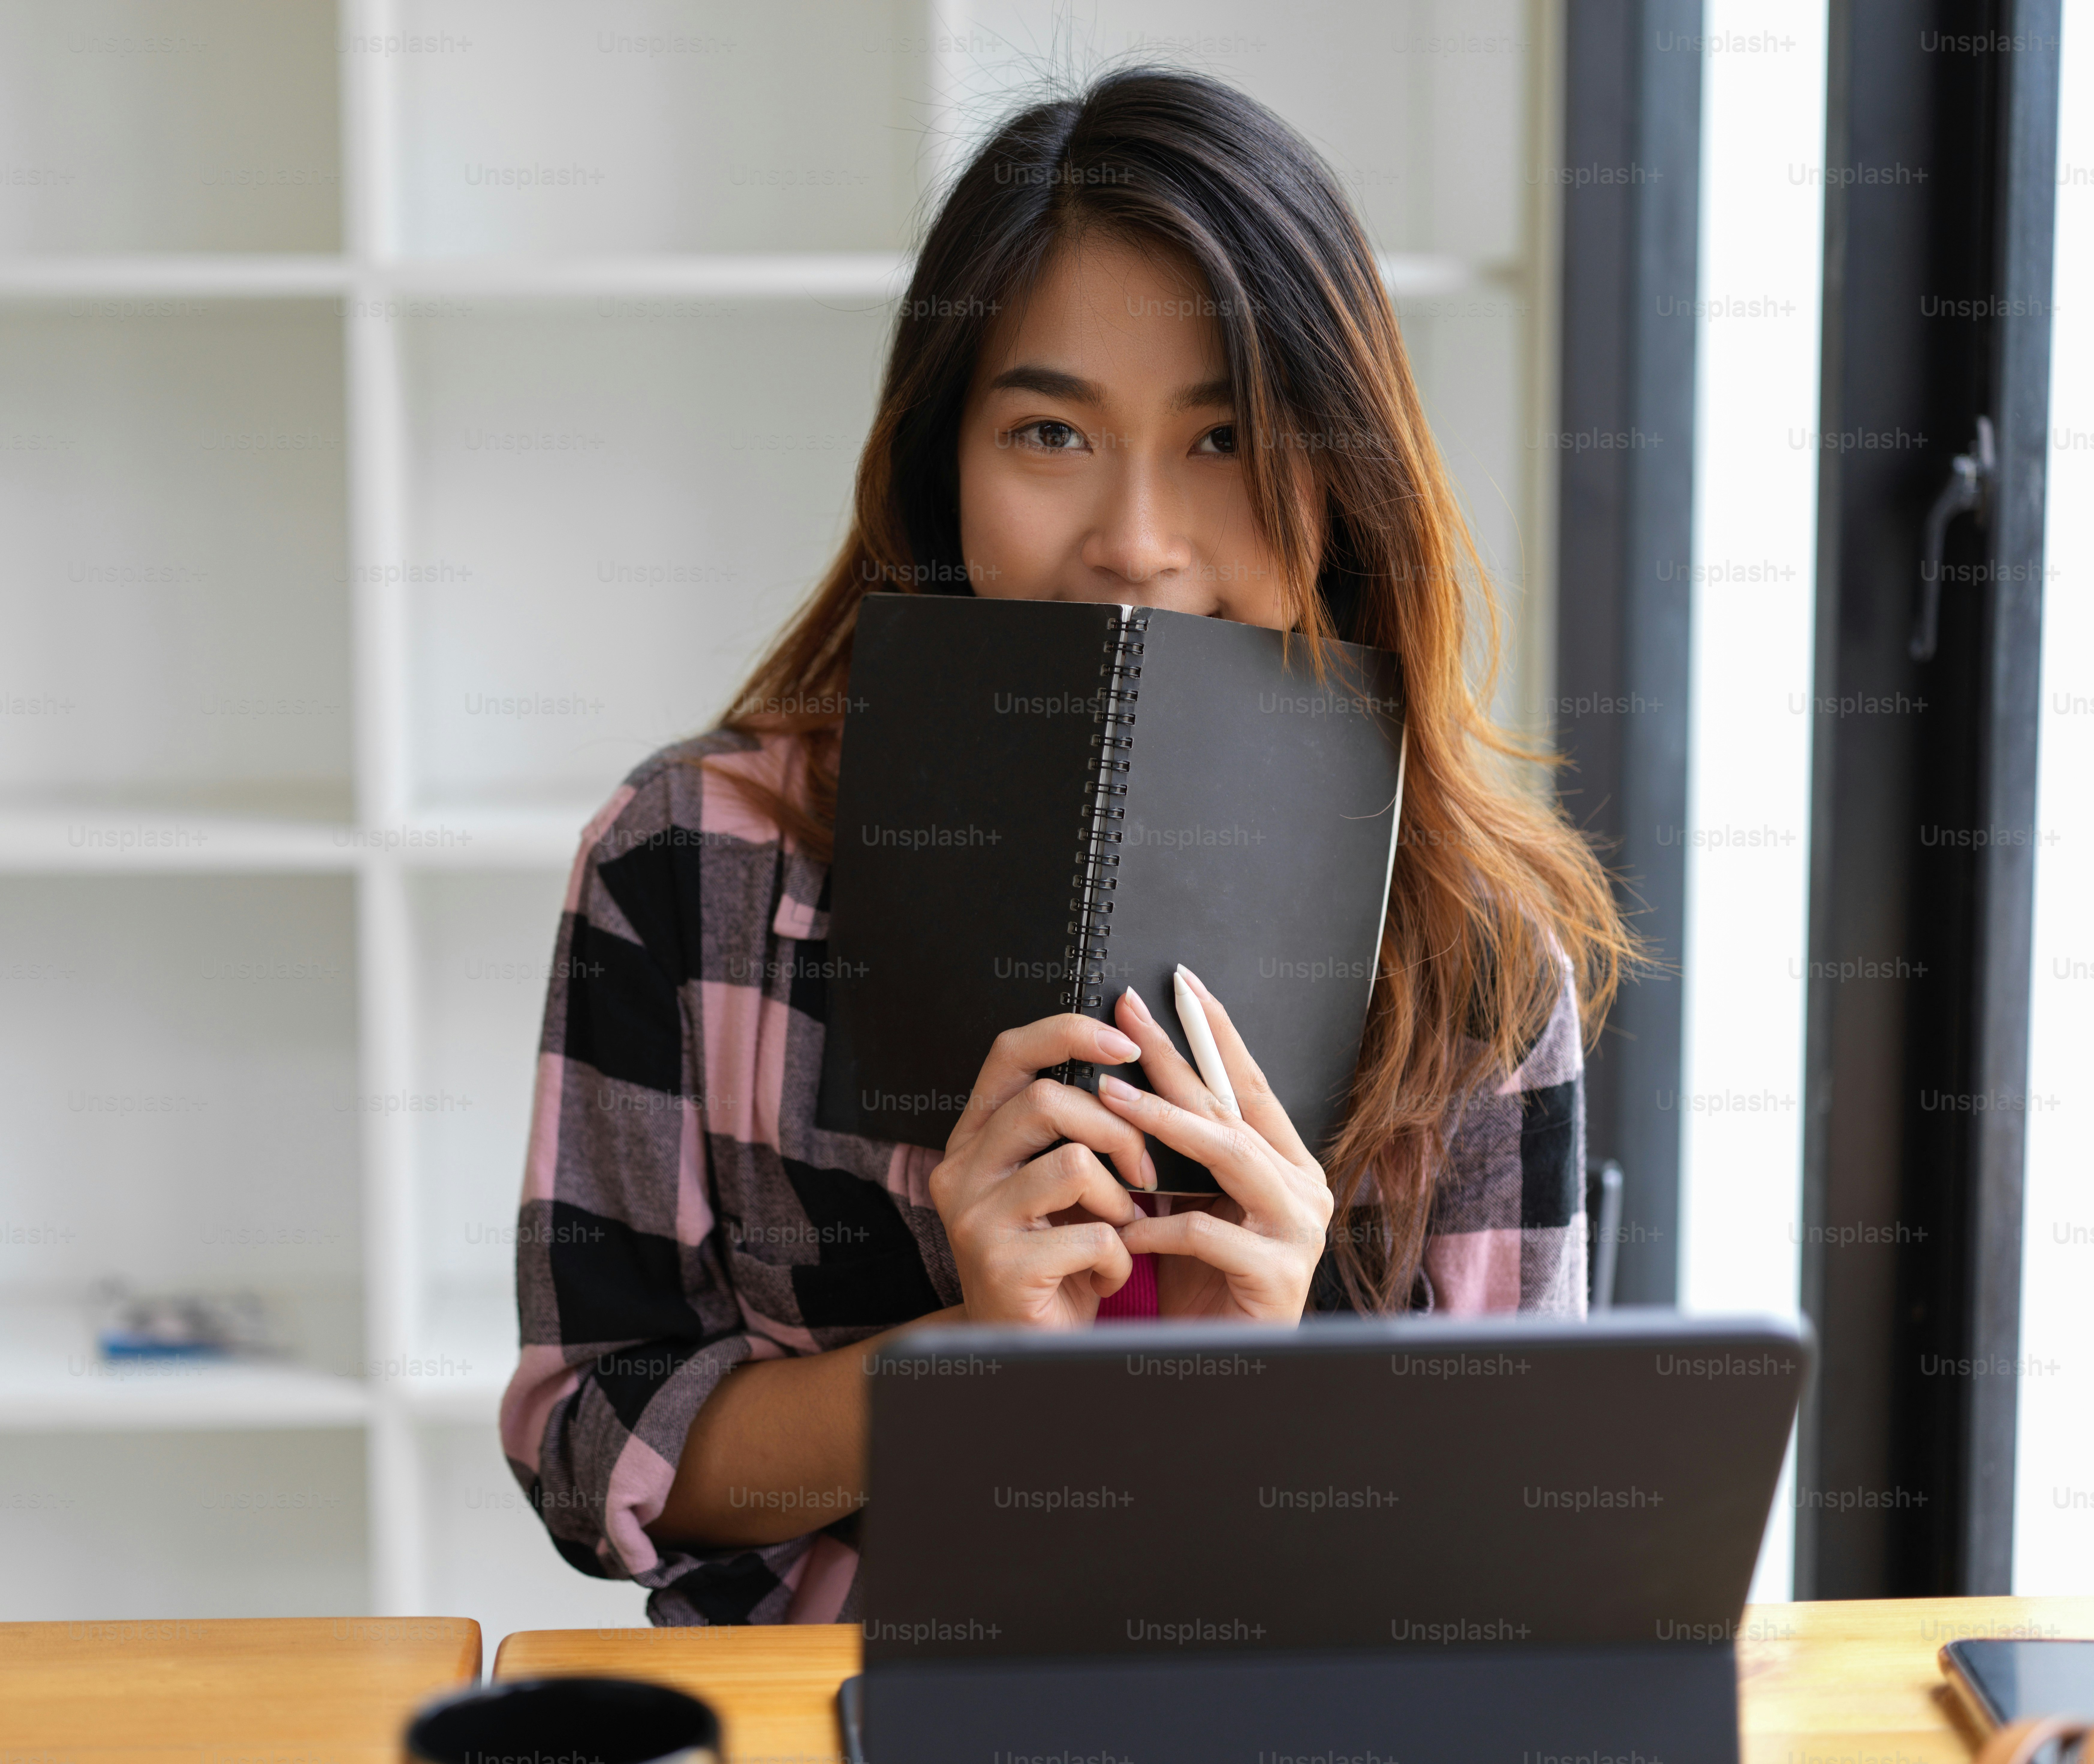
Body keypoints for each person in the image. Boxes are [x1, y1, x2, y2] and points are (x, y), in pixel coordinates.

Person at [499, 67, 1635, 1626]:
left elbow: (1526, 1573)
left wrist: (1276, 1374)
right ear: (939, 461)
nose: (1137, 538)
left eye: (1225, 437)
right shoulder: (691, 861)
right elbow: (588, 1450)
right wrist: (955, 1358)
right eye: (1051, 430)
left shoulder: (1473, 938)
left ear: (1340, 470)